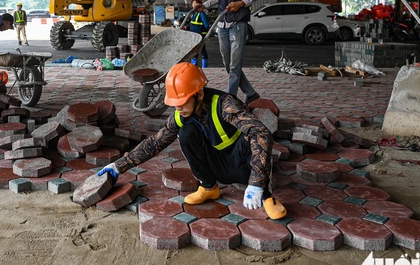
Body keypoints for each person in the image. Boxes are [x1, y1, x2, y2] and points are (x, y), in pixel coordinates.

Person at [97, 62, 286, 219]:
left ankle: (266, 196)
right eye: (175, 103)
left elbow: (262, 133)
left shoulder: (225, 104)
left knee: (253, 136)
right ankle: (209, 187)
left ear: (199, 95)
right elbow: (155, 142)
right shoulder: (182, 114)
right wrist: (118, 166)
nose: (177, 108)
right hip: (219, 166)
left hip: (244, 165)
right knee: (185, 133)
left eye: (182, 101)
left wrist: (256, 182)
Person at [199, 0, 260, 104]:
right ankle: (251, 93)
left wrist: (241, 3)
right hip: (222, 23)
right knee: (228, 63)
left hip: (238, 22)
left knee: (235, 64)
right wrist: (203, 6)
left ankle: (230, 98)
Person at [188, 0, 210, 68]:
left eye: (195, 3)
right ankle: (194, 66)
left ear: (200, 4)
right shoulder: (194, 13)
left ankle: (205, 67)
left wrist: (206, 35)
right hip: (194, 36)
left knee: (202, 51)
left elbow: (207, 26)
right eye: (193, 3)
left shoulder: (201, 14)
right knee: (194, 52)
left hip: (200, 36)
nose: (194, 5)